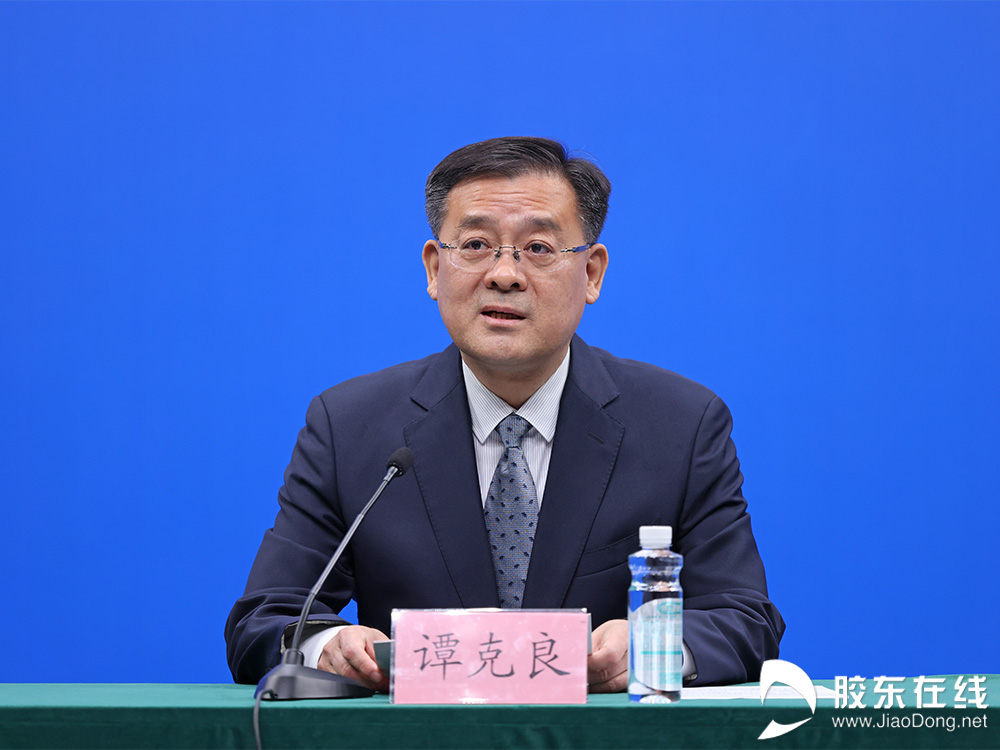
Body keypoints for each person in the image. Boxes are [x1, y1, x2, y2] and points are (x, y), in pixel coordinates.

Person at [225, 137, 784, 692]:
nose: (504, 274)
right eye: (476, 245)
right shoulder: (349, 427)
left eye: (538, 248)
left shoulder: (681, 425)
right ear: (434, 268)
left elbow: (744, 619)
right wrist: (326, 646)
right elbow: (265, 619)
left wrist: (652, 646)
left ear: (592, 273)